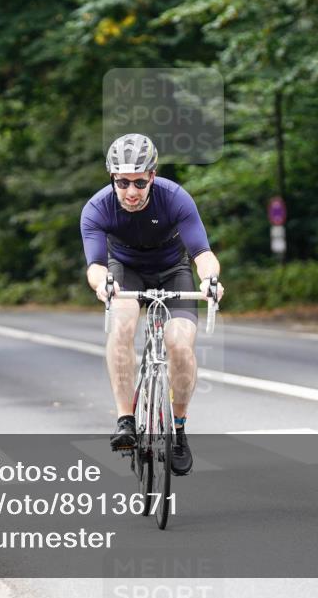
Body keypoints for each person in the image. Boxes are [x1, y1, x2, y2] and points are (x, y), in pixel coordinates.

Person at [80, 133, 225, 476]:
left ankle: (178, 429)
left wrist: (210, 280)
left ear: (152, 177)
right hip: (125, 272)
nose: (131, 191)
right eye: (122, 182)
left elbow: (202, 254)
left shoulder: (175, 199)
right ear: (112, 178)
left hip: (172, 271)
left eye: (139, 182)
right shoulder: (97, 208)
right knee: (123, 325)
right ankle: (125, 420)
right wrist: (103, 285)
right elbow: (96, 265)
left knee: (180, 344)